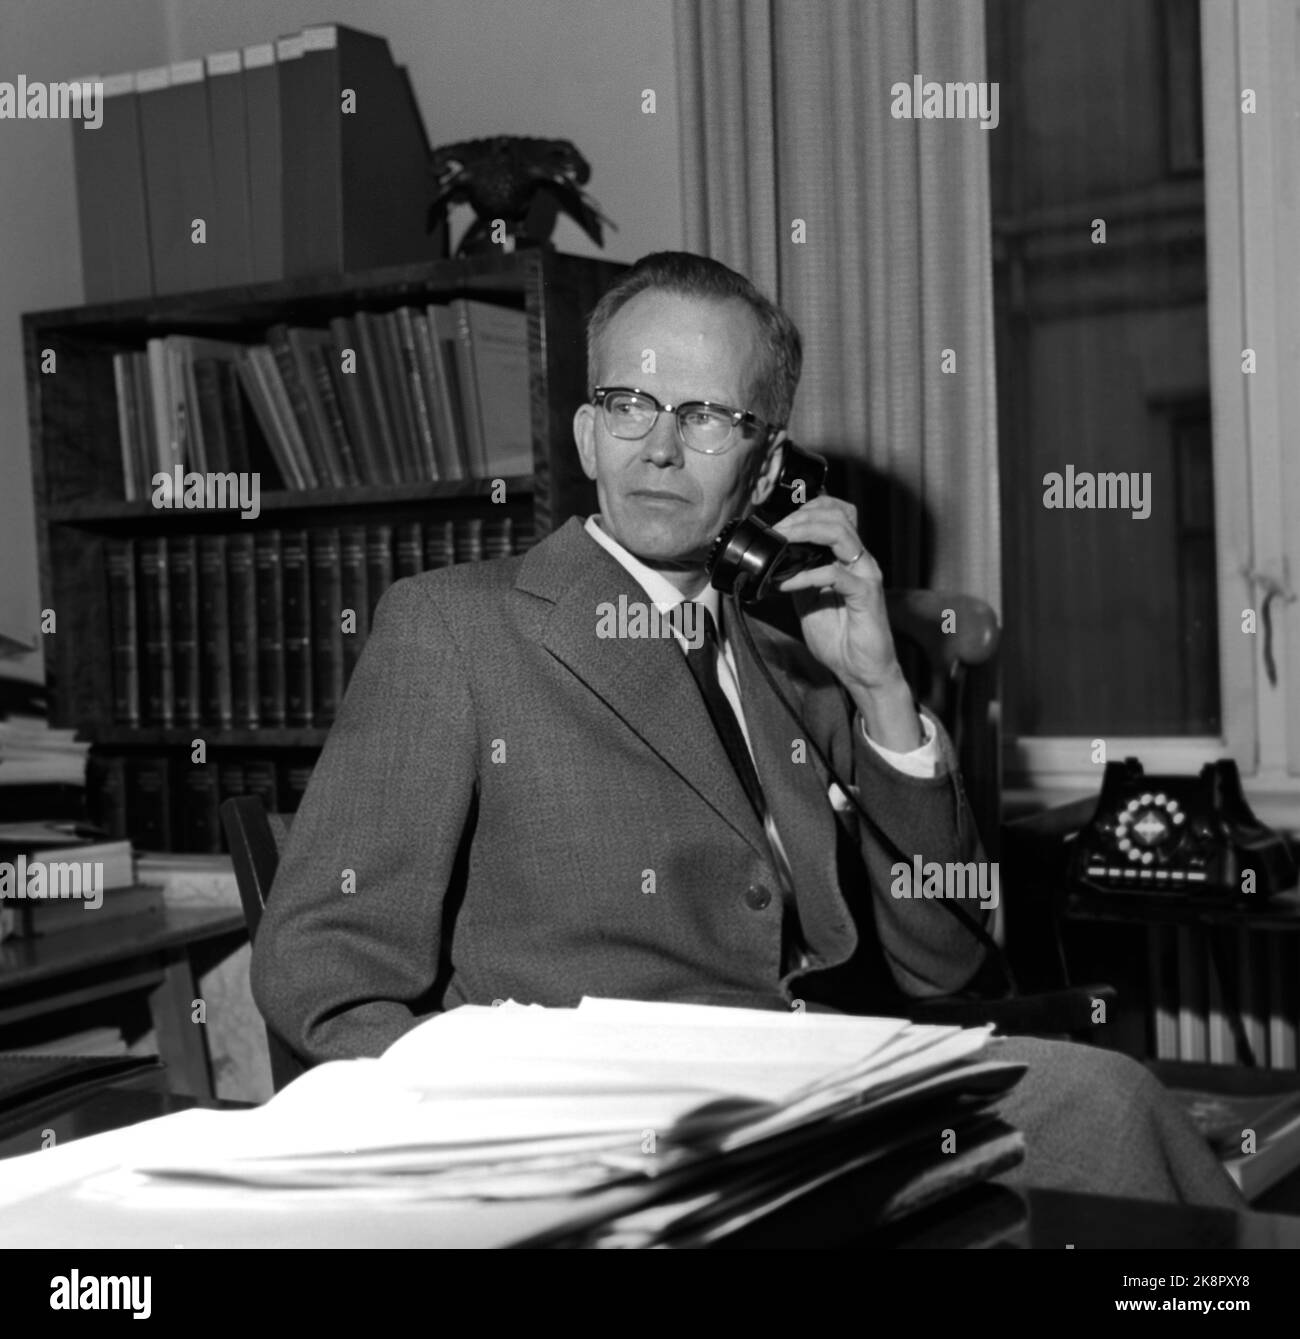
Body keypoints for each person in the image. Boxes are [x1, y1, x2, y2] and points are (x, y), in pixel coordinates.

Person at [252, 251, 1241, 1209]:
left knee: (1109, 1108)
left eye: (708, 417)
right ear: (587, 434)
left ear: (769, 465)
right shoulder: (454, 626)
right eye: (628, 407)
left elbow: (944, 961)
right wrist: (518, 1152)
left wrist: (881, 690)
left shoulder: (792, 651)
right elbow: (323, 976)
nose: (660, 448)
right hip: (606, 1140)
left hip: (814, 1094)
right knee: (1108, 1107)